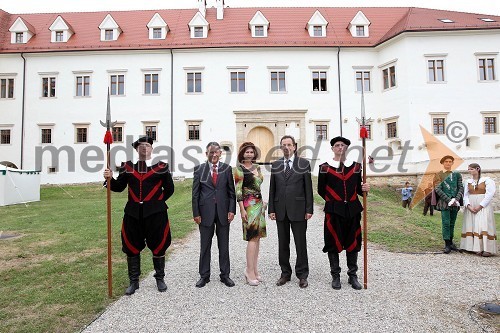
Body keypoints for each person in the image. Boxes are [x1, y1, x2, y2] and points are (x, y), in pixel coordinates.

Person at [103, 136, 174, 295]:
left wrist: (156, 202)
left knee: (158, 245)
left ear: (151, 149)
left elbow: (169, 189)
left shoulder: (161, 167)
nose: (144, 148)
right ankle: (133, 281)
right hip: (133, 214)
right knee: (131, 246)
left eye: (147, 145)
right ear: (136, 149)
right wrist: (109, 178)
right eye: (141, 146)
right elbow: (119, 187)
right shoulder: (128, 168)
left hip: (156, 215)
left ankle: (160, 278)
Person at [317, 136, 370, 290]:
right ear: (333, 148)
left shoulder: (356, 167)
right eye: (337, 145)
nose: (340, 147)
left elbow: (359, 190)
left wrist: (365, 188)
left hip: (353, 210)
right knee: (333, 242)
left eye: (343, 145)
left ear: (347, 148)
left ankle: (352, 275)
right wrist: (335, 202)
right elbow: (321, 190)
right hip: (333, 212)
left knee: (353, 243)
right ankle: (335, 275)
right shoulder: (324, 167)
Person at [268, 135, 313, 289]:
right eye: (283, 145)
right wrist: (271, 209)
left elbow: (308, 188)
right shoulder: (275, 165)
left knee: (300, 243)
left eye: (289, 144)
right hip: (281, 210)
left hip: (299, 210)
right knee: (283, 243)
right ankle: (285, 273)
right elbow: (272, 188)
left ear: (294, 146)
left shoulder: (304, 163)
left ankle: (302, 275)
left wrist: (309, 209)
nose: (286, 147)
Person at [192, 142, 236, 288]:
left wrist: (232, 210)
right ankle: (204, 276)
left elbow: (231, 192)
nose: (214, 155)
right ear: (206, 154)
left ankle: (225, 275)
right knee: (205, 246)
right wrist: (196, 213)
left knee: (224, 246)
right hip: (205, 214)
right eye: (211, 152)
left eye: (216, 152)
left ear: (220, 153)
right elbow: (195, 194)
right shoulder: (199, 170)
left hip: (223, 213)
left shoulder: (227, 169)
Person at [233, 142, 267, 286]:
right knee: (252, 238)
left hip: (259, 205)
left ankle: (255, 270)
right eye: (247, 152)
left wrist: (263, 201)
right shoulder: (239, 169)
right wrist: (241, 209)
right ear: (242, 154)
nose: (249, 154)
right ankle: (248, 271)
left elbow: (257, 186)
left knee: (257, 238)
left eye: (251, 152)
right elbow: (238, 191)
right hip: (248, 206)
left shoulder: (257, 167)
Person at [460, 163, 497, 256]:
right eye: (469, 169)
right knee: (471, 225)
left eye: (471, 169)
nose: (470, 171)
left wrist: (480, 206)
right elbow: (465, 195)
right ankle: (473, 247)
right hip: (471, 206)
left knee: (483, 225)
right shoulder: (468, 182)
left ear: (478, 169)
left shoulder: (487, 180)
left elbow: (489, 194)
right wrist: (468, 206)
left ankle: (487, 249)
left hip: (483, 206)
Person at [434, 155, 464, 254]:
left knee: (452, 223)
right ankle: (447, 244)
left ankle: (451, 243)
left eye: (450, 161)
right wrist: (448, 200)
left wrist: (456, 199)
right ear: (443, 163)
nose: (448, 163)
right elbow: (438, 189)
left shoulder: (457, 175)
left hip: (455, 203)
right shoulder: (438, 174)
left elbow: (460, 187)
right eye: (446, 161)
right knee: (446, 223)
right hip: (444, 203)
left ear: (452, 163)